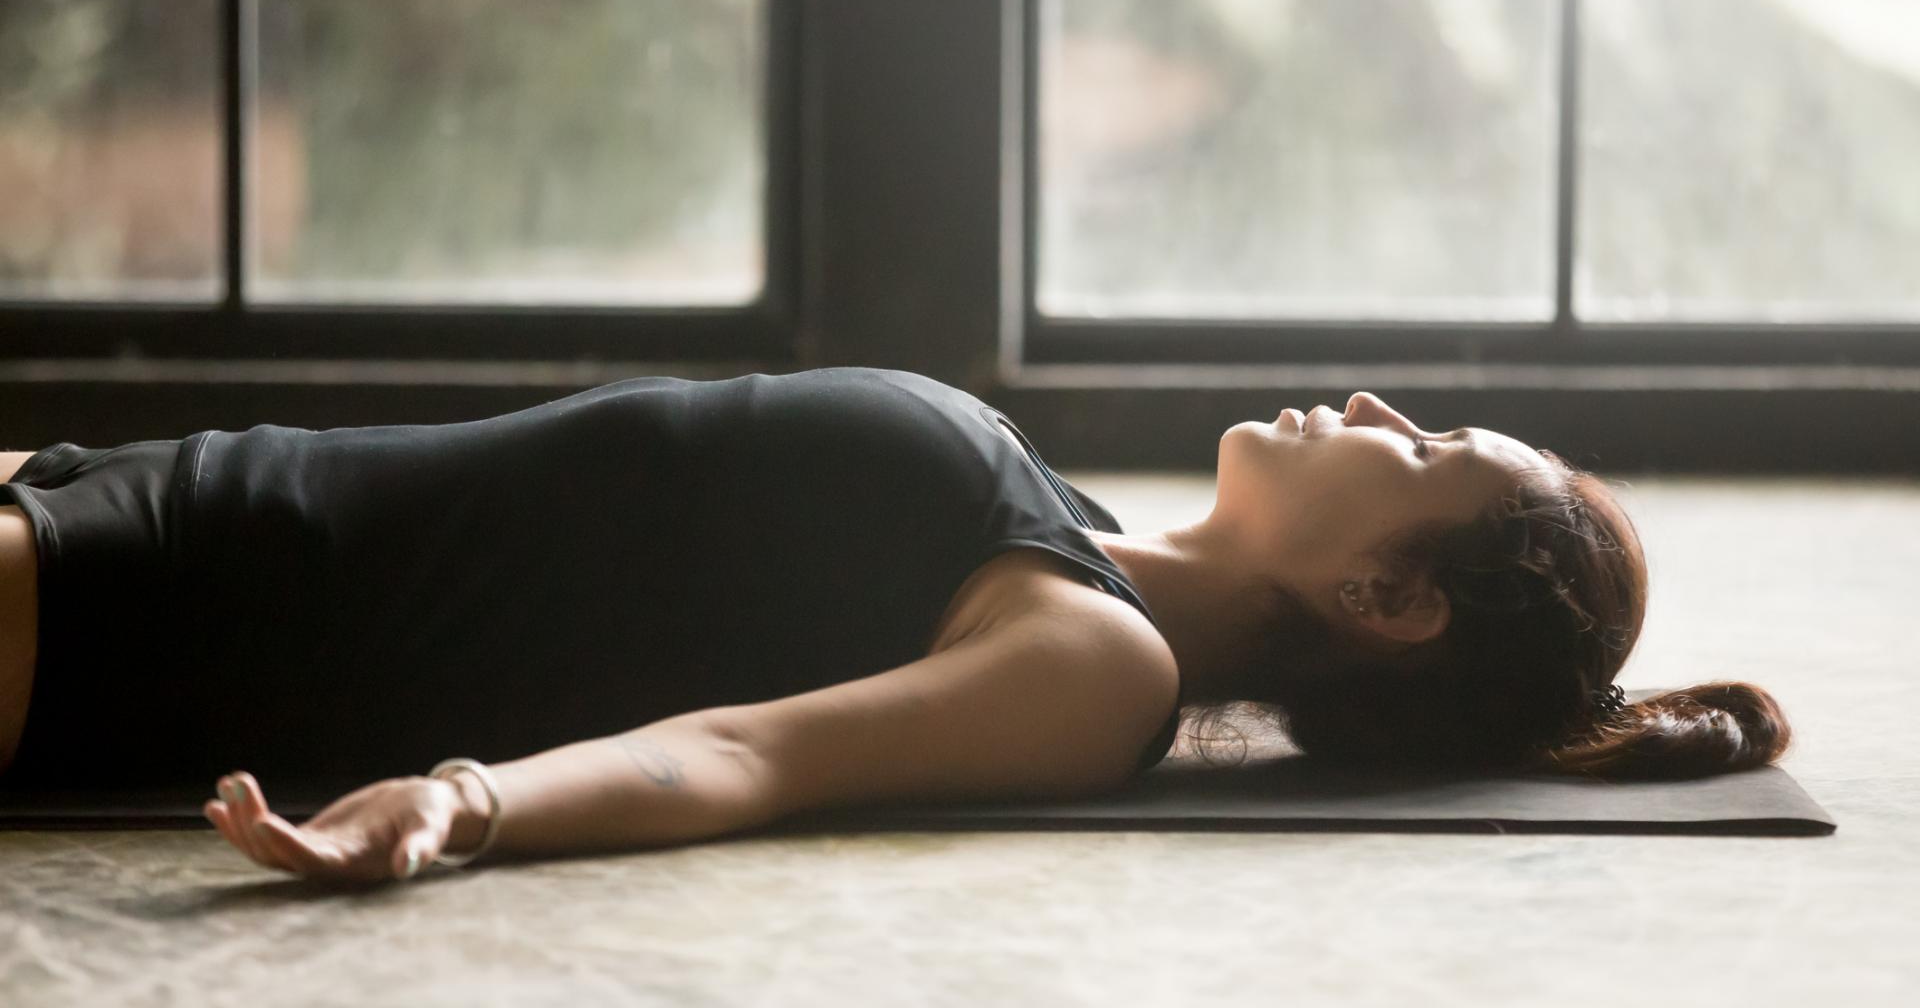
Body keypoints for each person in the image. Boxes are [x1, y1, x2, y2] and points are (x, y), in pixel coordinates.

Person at [0, 367, 1790, 884]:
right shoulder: (1075, 527)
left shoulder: (1099, 664)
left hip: (162, 608)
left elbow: (743, 755)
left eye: (1428, 449)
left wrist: (466, 802)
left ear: (1390, 598)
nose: (1376, 405)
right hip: (173, 484)